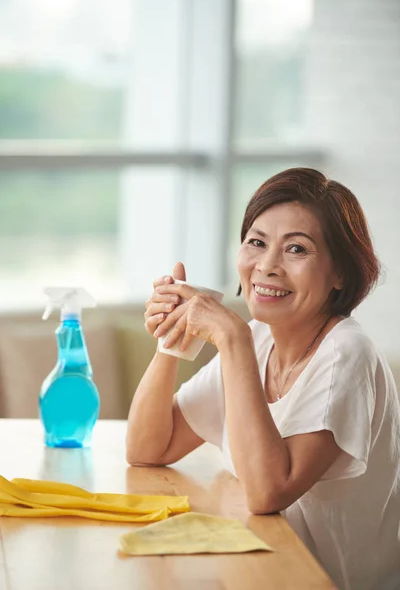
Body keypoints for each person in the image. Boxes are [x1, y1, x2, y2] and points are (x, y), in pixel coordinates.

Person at [126, 167, 400, 590]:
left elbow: (268, 492)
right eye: (256, 242)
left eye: (297, 250)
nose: (267, 266)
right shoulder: (257, 338)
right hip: (261, 568)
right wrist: (172, 338)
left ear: (340, 273)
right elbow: (149, 447)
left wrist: (231, 337)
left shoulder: (346, 352)